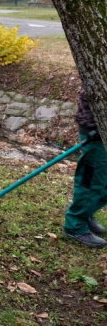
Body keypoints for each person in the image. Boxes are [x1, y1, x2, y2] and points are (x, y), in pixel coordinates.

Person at [63, 89, 107, 248]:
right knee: (93, 181)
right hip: (96, 132)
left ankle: (84, 212)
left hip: (101, 130)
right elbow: (93, 94)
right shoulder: (97, 70)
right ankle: (75, 225)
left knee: (104, 182)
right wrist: (95, 126)